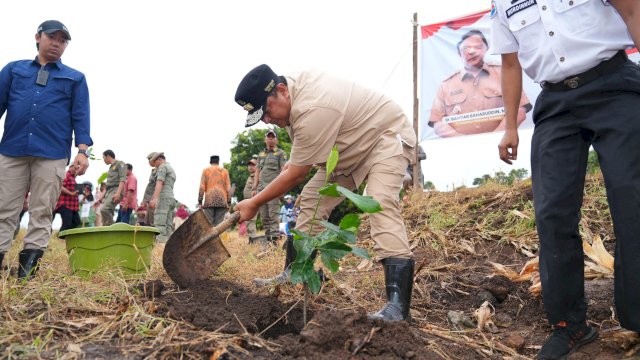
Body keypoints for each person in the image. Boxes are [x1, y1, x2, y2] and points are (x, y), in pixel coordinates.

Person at [492, 0, 640, 358]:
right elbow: (510, 63)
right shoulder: (501, 4)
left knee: (631, 198)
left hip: (614, 83)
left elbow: (633, 11)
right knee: (552, 212)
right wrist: (510, 126)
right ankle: (569, 325)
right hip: (555, 103)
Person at [234, 64, 416, 321]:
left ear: (281, 90)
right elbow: (302, 157)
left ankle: (398, 307)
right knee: (312, 199)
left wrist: (253, 202)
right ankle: (294, 272)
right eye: (261, 117)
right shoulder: (290, 99)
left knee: (379, 201)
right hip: (346, 151)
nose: (266, 121)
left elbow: (297, 173)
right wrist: (295, 162)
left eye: (266, 111)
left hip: (383, 138)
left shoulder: (312, 106)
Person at [0, 20, 92, 278]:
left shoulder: (75, 78)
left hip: (51, 155)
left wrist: (82, 150)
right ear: (38, 37)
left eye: (63, 40)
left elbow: (81, 116)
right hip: (12, 150)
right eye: (53, 37)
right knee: (4, 209)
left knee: (42, 211)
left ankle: (26, 274)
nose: (57, 43)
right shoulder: (13, 70)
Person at [428, 30, 532, 138]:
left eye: (478, 47)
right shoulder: (445, 85)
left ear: (486, 49)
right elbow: (437, 123)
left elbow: (520, 110)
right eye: (466, 48)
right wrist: (463, 142)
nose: (472, 51)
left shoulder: (503, 74)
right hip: (460, 149)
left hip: (502, 144)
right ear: (459, 53)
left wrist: (495, 138)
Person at [253, 129, 288, 245]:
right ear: (265, 139)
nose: (270, 139)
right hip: (261, 190)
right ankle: (268, 243)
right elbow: (257, 171)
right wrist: (254, 188)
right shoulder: (261, 154)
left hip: (273, 190)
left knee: (274, 217)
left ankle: (274, 244)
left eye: (273, 137)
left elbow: (284, 170)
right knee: (264, 217)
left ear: (276, 140)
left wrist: (282, 188)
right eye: (269, 137)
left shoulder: (280, 153)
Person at [197, 155, 232, 227]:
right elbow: (228, 189)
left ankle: (211, 238)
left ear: (210, 162)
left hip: (209, 201)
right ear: (218, 162)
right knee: (219, 226)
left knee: (209, 225)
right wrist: (229, 202)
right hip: (222, 201)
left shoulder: (206, 171)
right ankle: (217, 238)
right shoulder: (225, 171)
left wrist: (200, 201)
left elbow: (202, 187)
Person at [149, 152, 176, 241]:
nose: (154, 165)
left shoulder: (162, 167)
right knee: (168, 226)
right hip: (171, 198)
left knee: (160, 224)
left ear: (159, 160)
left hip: (163, 198)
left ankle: (160, 247)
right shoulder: (171, 168)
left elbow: (160, 182)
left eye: (155, 162)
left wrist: (155, 199)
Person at [100, 150, 127, 226]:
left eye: (104, 157)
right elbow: (108, 184)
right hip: (109, 191)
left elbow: (122, 179)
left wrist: (118, 193)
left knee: (104, 209)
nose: (104, 160)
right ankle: (106, 229)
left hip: (116, 190)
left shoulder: (120, 164)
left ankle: (111, 229)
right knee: (107, 211)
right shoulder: (110, 168)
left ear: (108, 156)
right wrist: (102, 196)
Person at [54, 165, 81, 232]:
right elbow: (60, 186)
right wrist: (71, 193)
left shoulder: (72, 177)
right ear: (70, 167)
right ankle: (61, 238)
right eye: (75, 168)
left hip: (72, 206)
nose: (76, 170)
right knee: (67, 224)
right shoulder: (66, 175)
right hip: (65, 204)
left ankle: (64, 236)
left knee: (76, 221)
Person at [242, 157, 260, 244]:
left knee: (251, 220)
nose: (250, 167)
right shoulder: (251, 176)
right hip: (249, 203)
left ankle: (253, 241)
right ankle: (252, 240)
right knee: (249, 221)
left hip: (254, 203)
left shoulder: (257, 176)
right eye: (249, 165)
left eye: (253, 165)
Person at [141, 152, 158, 226]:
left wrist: (154, 199)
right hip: (149, 198)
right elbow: (150, 186)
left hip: (154, 199)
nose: (149, 162)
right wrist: (145, 200)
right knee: (147, 220)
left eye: (149, 159)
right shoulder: (154, 170)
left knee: (152, 221)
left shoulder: (160, 170)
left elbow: (158, 185)